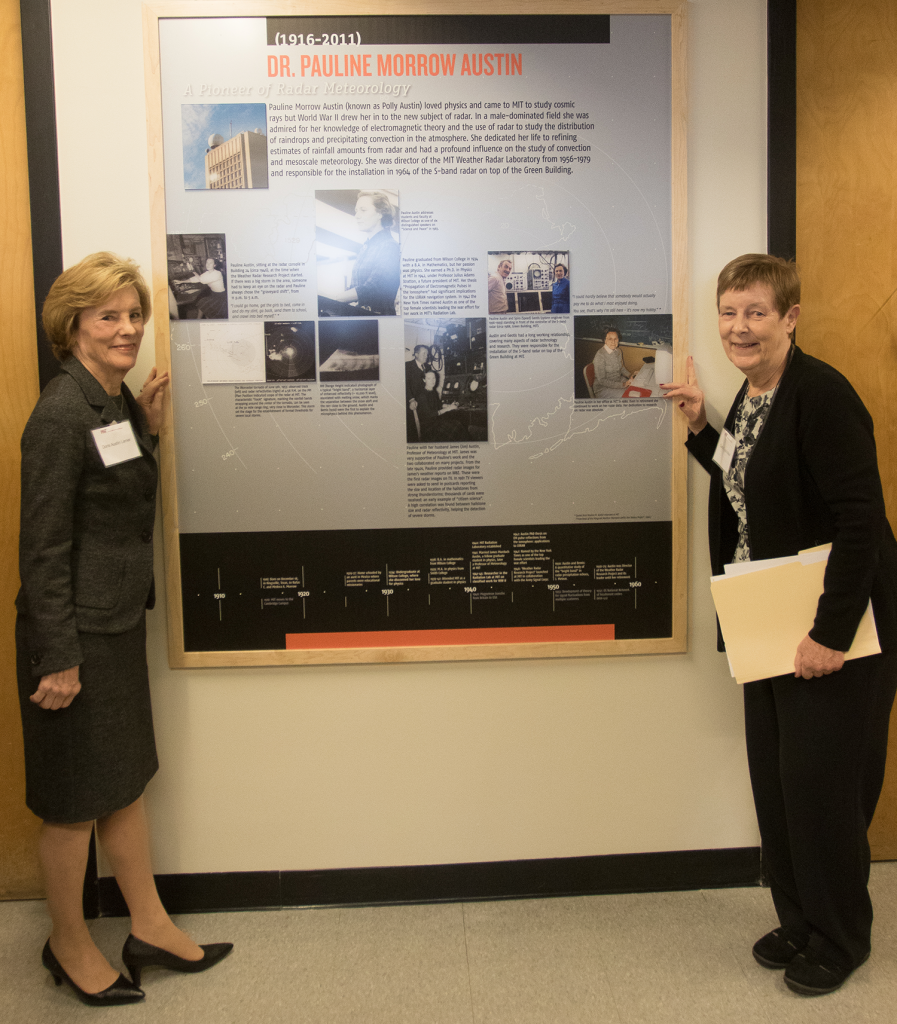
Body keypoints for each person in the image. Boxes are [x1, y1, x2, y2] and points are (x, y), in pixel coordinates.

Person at [661, 253, 897, 996]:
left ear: (789, 318)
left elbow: (862, 522)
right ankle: (798, 918)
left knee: (822, 788)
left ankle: (839, 936)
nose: (739, 327)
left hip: (831, 631)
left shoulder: (821, 395)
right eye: (729, 312)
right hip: (767, 621)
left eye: (756, 312)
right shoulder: (754, 393)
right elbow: (747, 479)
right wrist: (702, 429)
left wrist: (829, 633)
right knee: (779, 782)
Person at [16, 253, 232, 1006]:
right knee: (74, 800)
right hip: (72, 640)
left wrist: (149, 427)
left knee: (123, 782)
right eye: (109, 315)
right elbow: (41, 547)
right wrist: (58, 658)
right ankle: (67, 943)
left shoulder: (108, 403)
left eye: (133, 314)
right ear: (72, 322)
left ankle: (148, 924)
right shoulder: (60, 412)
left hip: (109, 627)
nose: (127, 328)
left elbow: (112, 497)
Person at [408, 370, 466, 442]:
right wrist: (448, 408)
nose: (432, 381)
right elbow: (431, 414)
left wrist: (450, 405)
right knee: (455, 428)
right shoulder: (422, 395)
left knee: (457, 424)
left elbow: (439, 405)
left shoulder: (433, 392)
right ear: (424, 380)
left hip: (436, 422)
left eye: (434, 378)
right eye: (429, 378)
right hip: (429, 429)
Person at [591, 328, 635, 396]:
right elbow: (602, 380)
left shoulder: (618, 351)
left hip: (618, 380)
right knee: (628, 396)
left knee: (635, 388)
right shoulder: (600, 355)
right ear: (605, 340)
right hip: (603, 388)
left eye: (615, 339)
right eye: (610, 339)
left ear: (618, 340)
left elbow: (621, 368)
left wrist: (630, 375)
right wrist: (623, 384)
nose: (613, 342)